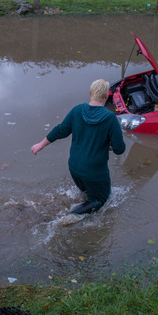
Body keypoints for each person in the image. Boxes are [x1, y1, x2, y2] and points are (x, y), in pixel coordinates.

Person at [31, 79, 126, 214]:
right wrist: (109, 146)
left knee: (86, 192)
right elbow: (119, 149)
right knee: (100, 200)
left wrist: (40, 144)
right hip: (94, 171)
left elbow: (60, 130)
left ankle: (77, 208)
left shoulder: (77, 110)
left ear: (90, 93)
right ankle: (69, 217)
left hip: (74, 167)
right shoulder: (110, 118)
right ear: (106, 96)